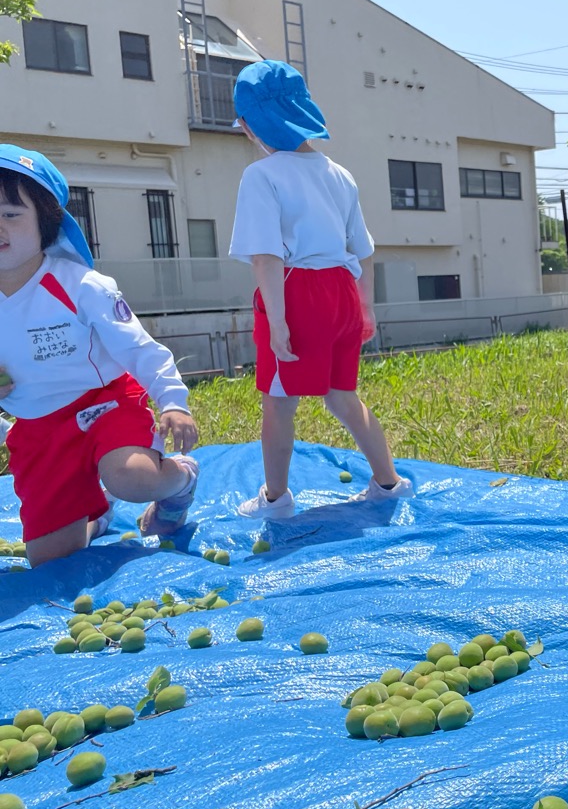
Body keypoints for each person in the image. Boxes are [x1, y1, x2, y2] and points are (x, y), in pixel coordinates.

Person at [0, 145, 199, 567]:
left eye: (11, 214)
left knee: (132, 477)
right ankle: (98, 516)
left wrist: (173, 401)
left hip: (103, 403)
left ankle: (180, 482)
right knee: (50, 561)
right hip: (38, 428)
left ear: (46, 223)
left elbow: (138, 346)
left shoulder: (81, 285)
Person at [229, 60, 409, 518]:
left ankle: (275, 499)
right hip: (343, 290)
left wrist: (278, 322)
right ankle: (389, 482)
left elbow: (266, 256)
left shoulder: (262, 175)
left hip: (296, 292)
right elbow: (362, 249)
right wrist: (366, 308)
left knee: (278, 402)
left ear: (249, 124)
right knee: (342, 395)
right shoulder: (339, 173)